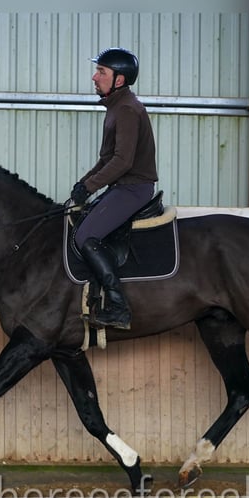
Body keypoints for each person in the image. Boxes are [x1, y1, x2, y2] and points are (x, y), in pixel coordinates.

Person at [71, 47, 158, 331]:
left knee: (85, 235)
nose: (94, 77)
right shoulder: (117, 108)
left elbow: (123, 161)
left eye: (102, 72)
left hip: (134, 189)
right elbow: (107, 159)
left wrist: (91, 186)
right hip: (123, 186)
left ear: (119, 80)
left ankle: (119, 306)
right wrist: (83, 185)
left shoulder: (127, 110)